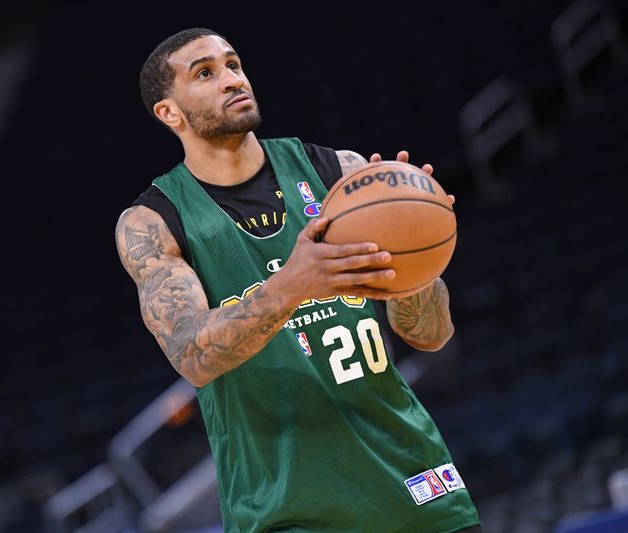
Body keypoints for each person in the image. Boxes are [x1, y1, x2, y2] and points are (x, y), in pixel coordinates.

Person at [115, 27, 481, 533]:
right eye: (205, 72)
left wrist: (412, 249)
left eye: (234, 64)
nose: (231, 79)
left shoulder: (339, 173)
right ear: (169, 113)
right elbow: (191, 355)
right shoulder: (154, 222)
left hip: (414, 483)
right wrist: (293, 284)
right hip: (288, 509)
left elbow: (431, 335)